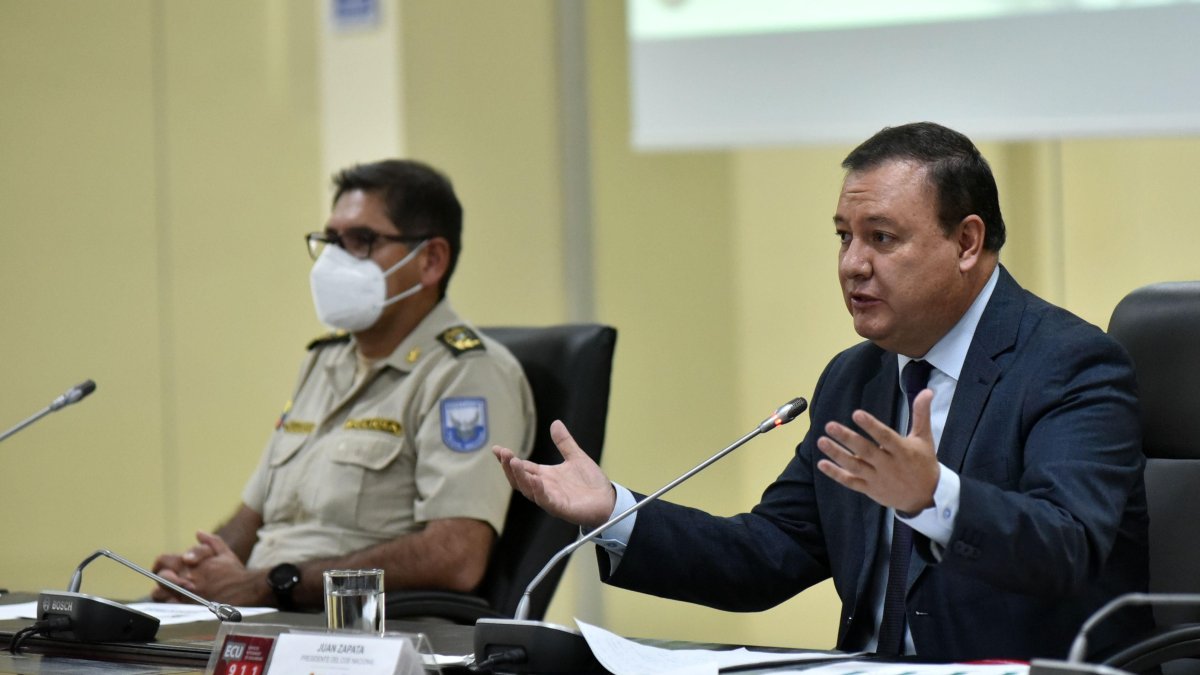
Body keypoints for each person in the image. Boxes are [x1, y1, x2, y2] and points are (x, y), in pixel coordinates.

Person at [494, 123, 1151, 661]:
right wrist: (614, 509)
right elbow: (769, 554)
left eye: (882, 238)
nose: (851, 263)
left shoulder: (1070, 364)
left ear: (967, 242)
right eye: (844, 236)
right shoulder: (857, 377)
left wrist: (937, 497)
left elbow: (1069, 546)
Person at [153, 159, 534, 610]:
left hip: (358, 630)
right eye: (332, 240)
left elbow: (454, 556)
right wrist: (195, 572)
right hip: (261, 612)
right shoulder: (324, 361)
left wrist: (270, 583)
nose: (334, 259)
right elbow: (254, 519)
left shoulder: (467, 374)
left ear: (430, 260)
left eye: (361, 240)